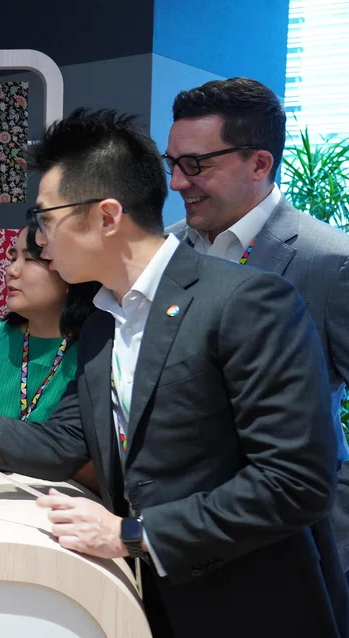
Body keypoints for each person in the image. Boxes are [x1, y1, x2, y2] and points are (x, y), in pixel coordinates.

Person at [0, 109, 349, 637]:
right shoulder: (104, 321)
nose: (39, 240)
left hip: (251, 607)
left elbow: (295, 482)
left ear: (107, 217)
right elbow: (64, 442)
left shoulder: (246, 302)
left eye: (45, 218)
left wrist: (135, 535)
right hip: (149, 604)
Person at [164, 77, 349, 575]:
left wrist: (335, 526)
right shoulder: (164, 251)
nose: (178, 182)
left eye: (195, 165)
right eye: (172, 163)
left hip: (291, 550)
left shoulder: (330, 263)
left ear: (260, 163)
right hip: (170, 537)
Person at [0, 224, 99, 490]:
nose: (11, 270)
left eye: (30, 259)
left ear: (69, 272)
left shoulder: (95, 351)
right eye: (13, 258)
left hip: (61, 504)